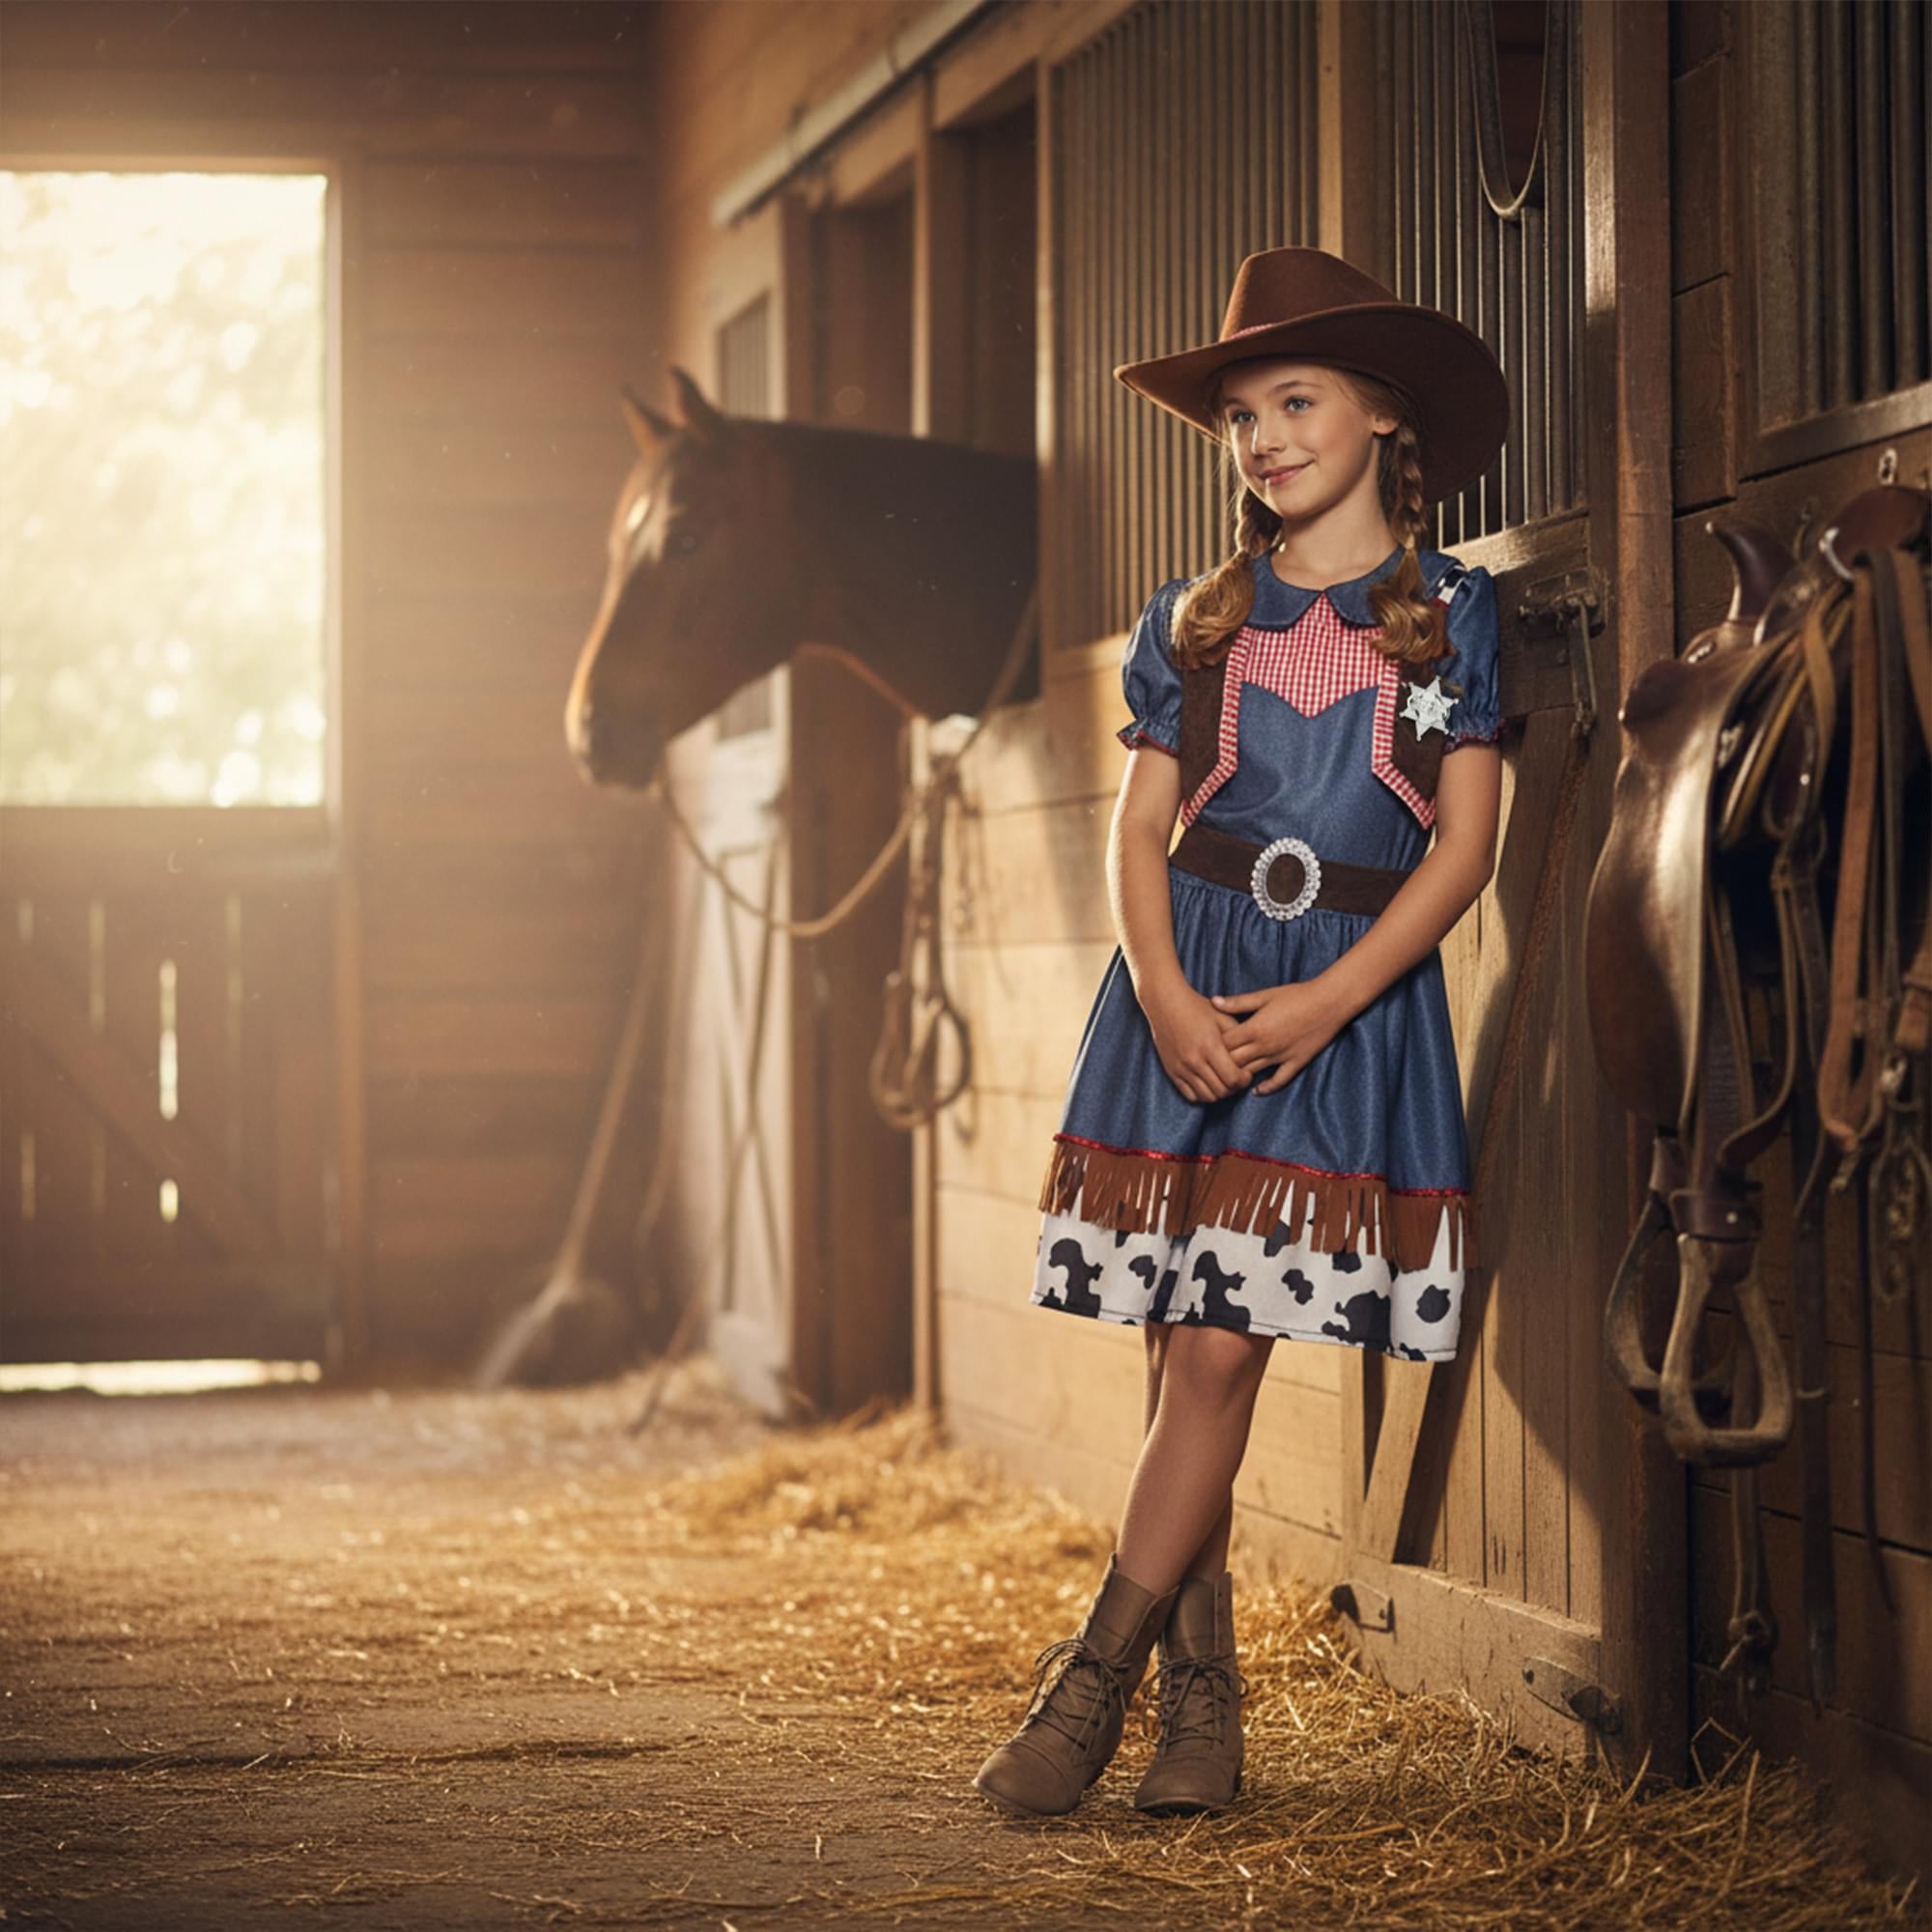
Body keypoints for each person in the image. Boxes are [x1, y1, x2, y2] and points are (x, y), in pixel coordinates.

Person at [973, 247, 1510, 1820]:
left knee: (1215, 1347)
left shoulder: (1450, 618)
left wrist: (1339, 996)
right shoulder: (1192, 622)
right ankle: (1204, 1713)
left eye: (1296, 400)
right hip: (1182, 996)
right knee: (1172, 1352)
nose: (1265, 436)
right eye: (1239, 415)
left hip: (1332, 1016)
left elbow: (1463, 852)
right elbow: (1142, 832)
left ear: (1382, 416)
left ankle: (1092, 1683)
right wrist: (1155, 987)